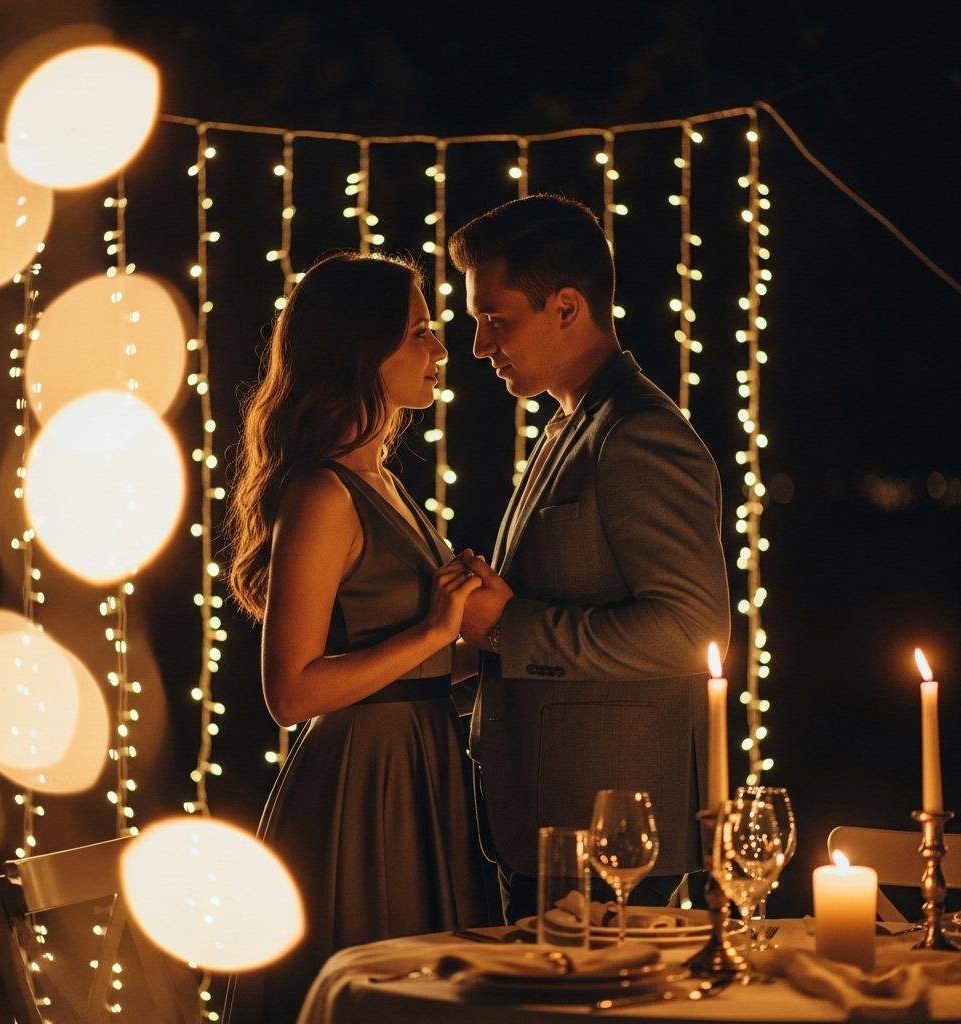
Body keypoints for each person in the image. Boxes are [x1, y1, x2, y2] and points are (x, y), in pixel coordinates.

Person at [222, 252, 495, 1023]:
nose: (441, 350)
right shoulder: (320, 493)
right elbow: (290, 691)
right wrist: (435, 630)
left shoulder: (381, 477)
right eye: (421, 333)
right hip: (363, 782)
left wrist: (483, 639)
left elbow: (409, 644)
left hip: (423, 760)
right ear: (360, 349)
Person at [448, 194, 731, 922]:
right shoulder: (568, 424)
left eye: (495, 319)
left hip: (613, 837)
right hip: (542, 820)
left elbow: (688, 628)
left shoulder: (638, 434)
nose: (480, 345)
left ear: (568, 307)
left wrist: (508, 625)